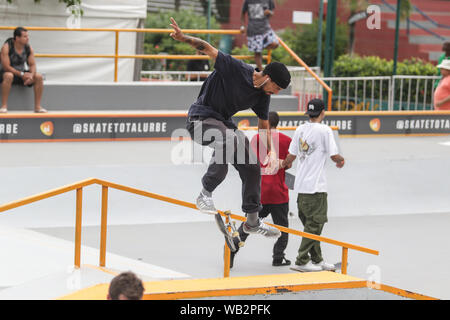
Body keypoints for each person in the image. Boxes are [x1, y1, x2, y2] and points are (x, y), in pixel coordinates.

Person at [169, 17, 291, 238]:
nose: (277, 92)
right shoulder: (236, 68)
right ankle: (205, 193)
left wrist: (269, 152)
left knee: (252, 165)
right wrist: (182, 37)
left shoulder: (263, 95)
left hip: (223, 124)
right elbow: (207, 48)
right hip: (199, 120)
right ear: (268, 77)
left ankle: (252, 221)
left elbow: (263, 125)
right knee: (230, 138)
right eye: (277, 87)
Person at [281, 99, 345, 272]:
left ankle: (318, 260)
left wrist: (281, 165)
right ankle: (302, 260)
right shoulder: (325, 130)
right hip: (316, 189)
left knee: (311, 227)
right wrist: (341, 160)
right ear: (322, 112)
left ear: (308, 114)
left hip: (301, 189)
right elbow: (334, 156)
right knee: (315, 226)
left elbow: (291, 156)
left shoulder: (300, 129)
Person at [230, 111, 292, 268]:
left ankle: (231, 251)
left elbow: (251, 161)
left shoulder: (257, 139)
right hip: (278, 193)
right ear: (277, 123)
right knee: (283, 229)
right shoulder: (286, 140)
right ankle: (278, 257)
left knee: (248, 225)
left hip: (259, 192)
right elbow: (288, 164)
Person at [0, 27, 47, 113]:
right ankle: (3, 106)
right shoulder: (6, 47)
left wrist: (31, 76)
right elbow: (6, 67)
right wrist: (22, 74)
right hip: (5, 73)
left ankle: (37, 107)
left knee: (39, 76)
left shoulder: (28, 48)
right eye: (25, 36)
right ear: (17, 38)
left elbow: (32, 65)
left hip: (21, 74)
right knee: (8, 75)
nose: (27, 38)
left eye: (27, 36)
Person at [240, 0, 279, 71]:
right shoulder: (248, 1)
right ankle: (261, 72)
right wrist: (242, 26)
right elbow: (242, 14)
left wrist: (269, 12)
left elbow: (272, 13)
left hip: (266, 28)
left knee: (275, 44)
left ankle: (259, 46)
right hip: (253, 30)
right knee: (257, 52)